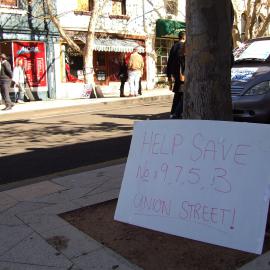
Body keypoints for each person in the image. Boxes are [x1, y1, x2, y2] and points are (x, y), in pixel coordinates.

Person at [167, 31, 186, 119]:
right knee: (181, 94)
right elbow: (181, 61)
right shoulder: (182, 46)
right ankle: (176, 113)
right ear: (184, 37)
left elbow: (170, 61)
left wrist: (169, 75)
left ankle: (175, 112)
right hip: (182, 74)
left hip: (176, 73)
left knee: (179, 93)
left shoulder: (174, 46)